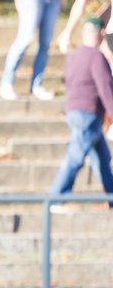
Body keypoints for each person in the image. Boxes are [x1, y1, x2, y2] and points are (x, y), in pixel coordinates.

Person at [49, 19, 113, 205]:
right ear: (100, 34)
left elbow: (68, 84)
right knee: (75, 157)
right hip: (89, 113)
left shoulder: (73, 56)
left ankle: (111, 196)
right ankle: (55, 200)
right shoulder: (96, 57)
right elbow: (105, 88)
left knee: (102, 158)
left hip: (74, 110)